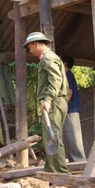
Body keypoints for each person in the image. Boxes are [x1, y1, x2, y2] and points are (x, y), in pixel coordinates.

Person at [24, 32, 69, 174]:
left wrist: (48, 99)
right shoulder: (50, 57)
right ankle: (51, 172)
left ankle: (61, 174)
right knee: (51, 137)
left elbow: (55, 79)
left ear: (36, 44)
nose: (29, 51)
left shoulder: (47, 58)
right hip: (57, 101)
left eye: (29, 47)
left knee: (53, 137)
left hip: (54, 102)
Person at [61, 55, 86, 162]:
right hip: (68, 110)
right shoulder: (66, 75)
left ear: (65, 64)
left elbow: (69, 92)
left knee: (74, 137)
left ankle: (80, 161)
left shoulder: (67, 75)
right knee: (69, 137)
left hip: (71, 110)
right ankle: (73, 161)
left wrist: (62, 105)